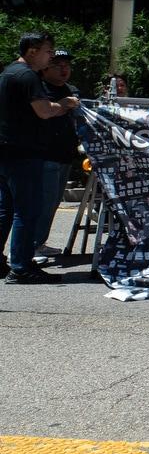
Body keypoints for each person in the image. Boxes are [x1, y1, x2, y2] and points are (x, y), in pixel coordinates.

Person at [0, 32, 79, 283]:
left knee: (5, 209)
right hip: (24, 152)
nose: (52, 57)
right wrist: (64, 104)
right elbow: (44, 111)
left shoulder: (8, 73)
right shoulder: (28, 76)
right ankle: (21, 267)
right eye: (48, 52)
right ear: (32, 51)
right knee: (27, 211)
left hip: (7, 150)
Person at [32, 49, 82, 260]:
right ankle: (32, 246)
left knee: (53, 203)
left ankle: (40, 243)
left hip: (65, 155)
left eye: (67, 66)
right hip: (44, 155)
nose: (64, 69)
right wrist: (63, 106)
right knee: (42, 202)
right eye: (58, 65)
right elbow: (45, 112)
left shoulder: (71, 89)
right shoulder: (40, 89)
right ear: (46, 68)